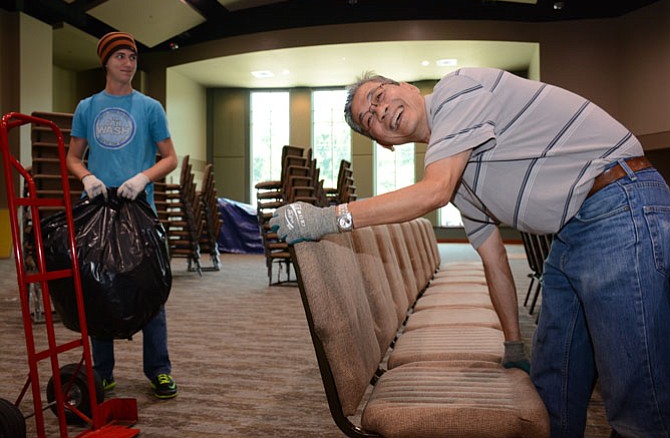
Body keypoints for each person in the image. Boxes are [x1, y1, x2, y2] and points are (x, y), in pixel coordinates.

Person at [271, 68, 670, 437]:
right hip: (571, 231)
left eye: (378, 95)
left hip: (619, 200)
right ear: (384, 144)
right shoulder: (462, 182)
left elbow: (433, 191)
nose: (379, 110)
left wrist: (329, 219)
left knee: (637, 390)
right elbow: (495, 260)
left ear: (406, 87)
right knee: (555, 380)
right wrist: (513, 344)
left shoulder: (456, 91)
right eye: (369, 119)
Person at [66, 31, 179, 399]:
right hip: (98, 208)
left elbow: (170, 157)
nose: (128, 63)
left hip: (139, 209)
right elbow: (72, 156)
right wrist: (88, 176)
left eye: (132, 56)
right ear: (106, 62)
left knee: (150, 290)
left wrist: (143, 177)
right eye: (120, 56)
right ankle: (102, 371)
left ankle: (159, 369)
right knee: (99, 287)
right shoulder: (87, 107)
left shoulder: (150, 108)